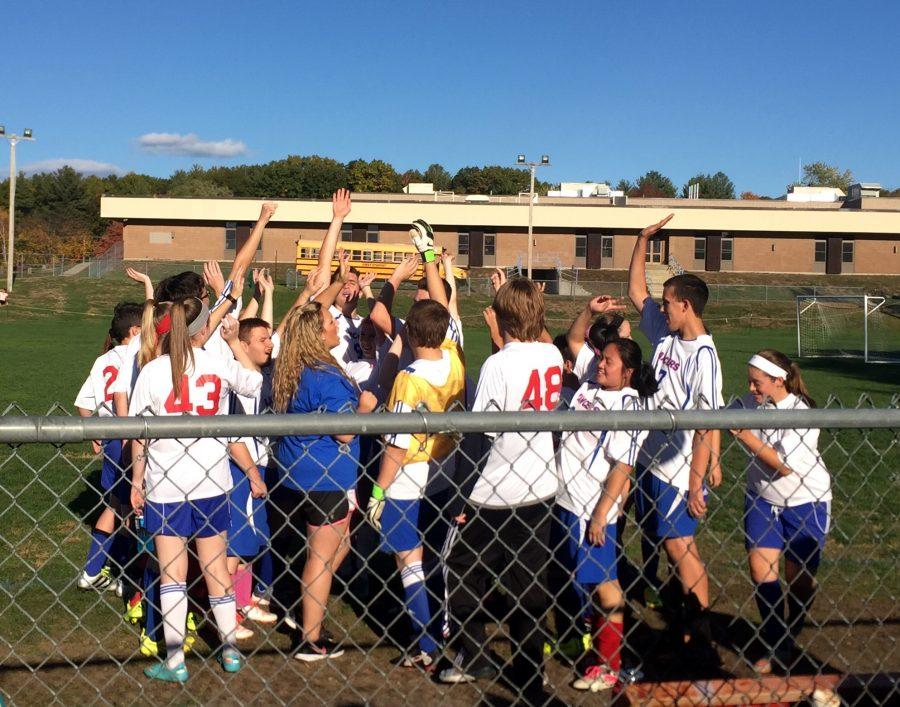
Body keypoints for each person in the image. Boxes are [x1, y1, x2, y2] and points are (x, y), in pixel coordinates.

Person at [129, 299, 266, 682]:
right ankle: (230, 651)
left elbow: (138, 435)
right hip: (212, 482)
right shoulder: (217, 362)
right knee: (215, 568)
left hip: (167, 485)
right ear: (203, 329)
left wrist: (136, 481)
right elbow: (255, 383)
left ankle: (175, 661)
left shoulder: (154, 370)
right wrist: (236, 342)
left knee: (173, 575)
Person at [441, 277, 563, 699]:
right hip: (541, 484)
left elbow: (479, 435)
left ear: (503, 317)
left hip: (496, 490)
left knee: (458, 566)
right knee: (527, 584)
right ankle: (530, 672)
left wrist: (461, 496)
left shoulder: (497, 365)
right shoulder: (550, 353)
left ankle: (473, 651)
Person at [627, 214, 723, 656]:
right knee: (669, 546)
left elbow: (707, 422)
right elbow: (636, 293)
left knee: (680, 547)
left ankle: (701, 635)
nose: (660, 307)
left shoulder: (703, 356)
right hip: (649, 461)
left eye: (668, 302)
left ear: (686, 305)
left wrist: (696, 480)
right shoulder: (666, 338)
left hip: (675, 469)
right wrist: (641, 241)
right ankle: (686, 620)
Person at [270, 301, 376, 662]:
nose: (336, 326)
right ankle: (309, 638)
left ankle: (305, 611)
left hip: (296, 473)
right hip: (325, 476)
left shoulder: (292, 368)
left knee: (338, 543)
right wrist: (365, 408)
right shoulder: (326, 377)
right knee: (321, 556)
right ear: (317, 334)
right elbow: (345, 434)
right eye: (331, 322)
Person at [365, 299, 466, 670]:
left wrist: (378, 492)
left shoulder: (408, 381)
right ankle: (442, 627)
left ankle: (426, 643)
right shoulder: (454, 358)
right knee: (435, 559)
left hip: (408, 480)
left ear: (408, 334)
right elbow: (449, 320)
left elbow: (397, 444)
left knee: (409, 560)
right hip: (444, 472)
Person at [557, 338, 658, 692]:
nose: (601, 365)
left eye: (609, 362)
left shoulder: (628, 407)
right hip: (569, 501)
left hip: (590, 507)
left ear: (628, 373)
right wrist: (588, 311)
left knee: (606, 587)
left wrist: (601, 514)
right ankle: (602, 652)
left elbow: (623, 466)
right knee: (590, 580)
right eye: (601, 358)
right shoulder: (592, 384)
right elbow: (572, 339)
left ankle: (610, 665)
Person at [731, 349, 832, 674]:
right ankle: (777, 640)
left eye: (757, 383)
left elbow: (785, 466)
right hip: (762, 499)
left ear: (778, 380)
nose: (751, 389)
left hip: (806, 501)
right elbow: (713, 416)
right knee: (763, 575)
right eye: (749, 382)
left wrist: (744, 436)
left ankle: (792, 626)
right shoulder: (750, 404)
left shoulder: (801, 412)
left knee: (798, 581)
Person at [74, 302, 143, 594]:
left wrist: (94, 432)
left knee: (117, 504)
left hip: (112, 438)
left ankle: (101, 569)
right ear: (136, 331)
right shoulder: (139, 355)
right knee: (131, 506)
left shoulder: (104, 360)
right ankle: (125, 576)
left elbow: (82, 403)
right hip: (132, 438)